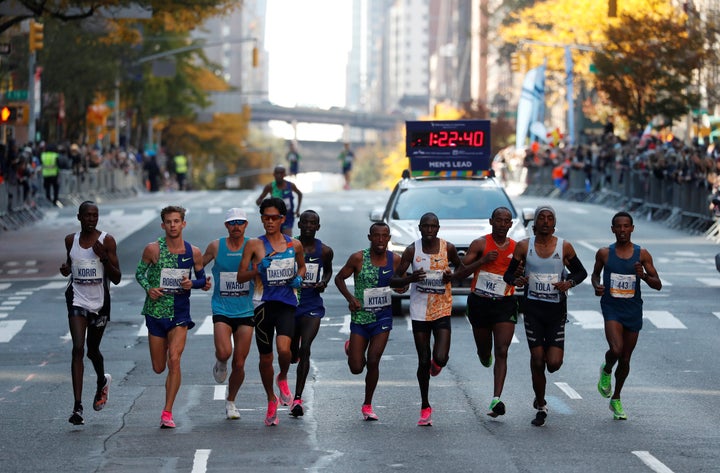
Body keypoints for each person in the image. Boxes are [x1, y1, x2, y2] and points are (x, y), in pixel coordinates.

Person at [503, 205, 587, 426]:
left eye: (550, 218)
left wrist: (569, 282)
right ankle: (541, 404)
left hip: (556, 312)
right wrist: (516, 280)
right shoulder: (524, 247)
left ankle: (539, 388)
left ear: (554, 223)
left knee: (554, 363)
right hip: (532, 310)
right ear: (535, 223)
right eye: (542, 218)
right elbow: (508, 274)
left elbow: (581, 272)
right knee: (538, 360)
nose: (546, 222)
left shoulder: (564, 247)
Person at [135, 205, 207, 429]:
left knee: (174, 360)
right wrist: (148, 288)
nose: (173, 225)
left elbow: (203, 280)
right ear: (163, 225)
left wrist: (192, 283)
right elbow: (139, 273)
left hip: (179, 313)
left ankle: (167, 412)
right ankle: (164, 347)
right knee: (159, 367)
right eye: (169, 222)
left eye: (177, 221)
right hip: (156, 312)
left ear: (183, 224)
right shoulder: (153, 249)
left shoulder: (193, 252)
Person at [237, 197, 306, 426]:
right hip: (262, 305)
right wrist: (258, 269)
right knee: (266, 357)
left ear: (282, 219)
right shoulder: (254, 245)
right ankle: (270, 400)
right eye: (265, 218)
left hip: (286, 303)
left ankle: (283, 376)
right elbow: (240, 276)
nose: (269, 222)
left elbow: (303, 265)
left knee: (284, 350)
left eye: (274, 218)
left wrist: (299, 278)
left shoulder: (293, 244)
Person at [389, 213, 462, 426]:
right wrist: (411, 278)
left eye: (433, 227)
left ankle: (436, 364)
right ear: (419, 228)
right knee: (422, 359)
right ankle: (425, 406)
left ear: (438, 228)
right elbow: (395, 279)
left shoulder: (448, 248)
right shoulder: (413, 250)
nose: (429, 230)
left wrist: (452, 276)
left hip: (442, 308)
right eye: (425, 227)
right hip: (420, 310)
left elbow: (463, 267)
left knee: (441, 358)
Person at [591, 211, 661, 420]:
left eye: (626, 226)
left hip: (633, 309)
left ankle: (617, 399)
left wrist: (644, 276)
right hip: (612, 307)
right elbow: (595, 274)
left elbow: (658, 284)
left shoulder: (642, 255)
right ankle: (606, 369)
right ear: (612, 229)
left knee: (626, 358)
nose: (622, 230)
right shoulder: (604, 253)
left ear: (632, 229)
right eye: (618, 226)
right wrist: (597, 286)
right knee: (616, 349)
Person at [334, 222, 405, 421]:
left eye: (384, 236)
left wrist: (401, 288)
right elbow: (339, 278)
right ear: (370, 237)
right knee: (356, 367)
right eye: (376, 236)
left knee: (373, 360)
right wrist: (350, 298)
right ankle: (352, 348)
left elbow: (403, 282)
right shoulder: (358, 258)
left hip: (382, 318)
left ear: (389, 238)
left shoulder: (395, 260)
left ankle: (367, 404)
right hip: (360, 318)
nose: (380, 240)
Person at [60, 201, 121, 425]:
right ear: (79, 217)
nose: (91, 219)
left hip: (100, 303)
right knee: (78, 348)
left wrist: (104, 257)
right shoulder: (70, 240)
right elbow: (70, 263)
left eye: (95, 216)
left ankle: (101, 381)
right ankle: (77, 407)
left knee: (92, 350)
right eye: (87, 215)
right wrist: (66, 269)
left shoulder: (107, 240)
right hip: (77, 298)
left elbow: (117, 278)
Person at [460, 207, 520, 418]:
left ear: (511, 224)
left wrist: (519, 278)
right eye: (499, 220)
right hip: (480, 303)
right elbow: (461, 270)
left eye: (507, 221)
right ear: (491, 221)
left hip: (505, 303)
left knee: (502, 350)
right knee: (485, 351)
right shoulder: (480, 244)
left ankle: (496, 399)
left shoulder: (516, 248)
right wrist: (482, 261)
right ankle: (484, 355)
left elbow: (520, 273)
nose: (503, 224)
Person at [202, 208, 255, 420]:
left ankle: (231, 401)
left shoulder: (253, 246)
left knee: (240, 363)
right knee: (225, 353)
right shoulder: (216, 246)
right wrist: (201, 279)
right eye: (232, 223)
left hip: (247, 309)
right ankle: (220, 362)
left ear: (245, 225)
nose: (236, 226)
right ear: (226, 225)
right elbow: (199, 265)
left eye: (240, 222)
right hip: (222, 307)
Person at [289, 210, 334, 417]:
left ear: (318, 227)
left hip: (312, 305)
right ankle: (293, 352)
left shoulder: (324, 251)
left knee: (305, 348)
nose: (308, 225)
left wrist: (323, 282)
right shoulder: (289, 246)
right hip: (289, 303)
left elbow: (328, 270)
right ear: (299, 224)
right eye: (305, 222)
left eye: (313, 223)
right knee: (291, 354)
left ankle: (297, 398)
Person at [256, 165, 303, 236]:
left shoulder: (290, 185)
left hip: (288, 217)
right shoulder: (270, 186)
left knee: (287, 238)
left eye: (281, 173)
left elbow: (300, 194)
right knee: (274, 238)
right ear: (274, 174)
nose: (279, 175)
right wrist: (261, 203)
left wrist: (298, 210)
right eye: (277, 173)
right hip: (274, 217)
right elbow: (259, 199)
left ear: (285, 174)